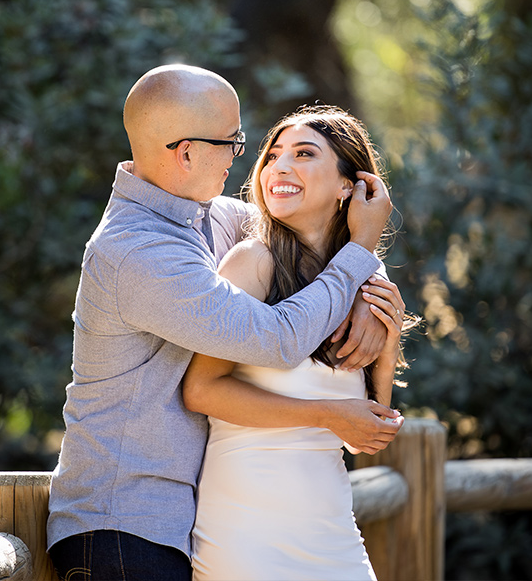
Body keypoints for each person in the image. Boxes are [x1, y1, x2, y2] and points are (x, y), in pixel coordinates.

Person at [46, 65, 400, 581]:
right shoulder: (138, 252)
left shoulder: (208, 216)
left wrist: (371, 292)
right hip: (124, 525)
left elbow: (310, 239)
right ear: (186, 152)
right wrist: (362, 254)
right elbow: (277, 339)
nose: (243, 155)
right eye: (231, 141)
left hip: (178, 523)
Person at [185, 105, 412, 581]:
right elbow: (202, 391)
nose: (279, 167)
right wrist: (324, 414)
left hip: (331, 525)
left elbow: (365, 440)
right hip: (247, 527)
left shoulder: (366, 276)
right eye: (273, 156)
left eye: (304, 154)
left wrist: (388, 351)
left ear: (351, 185)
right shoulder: (252, 262)